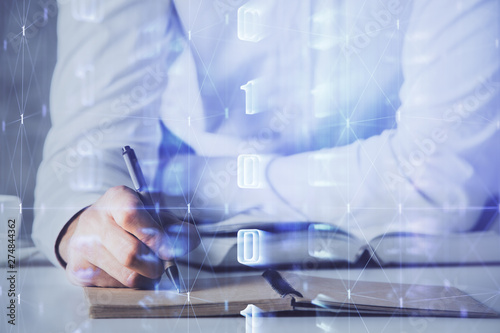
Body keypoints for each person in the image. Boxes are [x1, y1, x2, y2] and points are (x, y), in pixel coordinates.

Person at [33, 0, 499, 288]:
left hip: (418, 271)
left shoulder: (181, 189)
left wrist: (189, 185)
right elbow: (91, 146)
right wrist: (86, 223)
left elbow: (441, 180)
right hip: (196, 272)